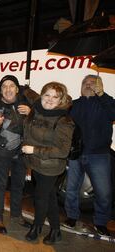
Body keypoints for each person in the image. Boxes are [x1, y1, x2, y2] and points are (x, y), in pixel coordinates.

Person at [22, 82, 74, 245]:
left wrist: (34, 150)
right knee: (49, 197)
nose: (50, 100)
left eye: (55, 97)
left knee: (40, 198)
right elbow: (30, 94)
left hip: (50, 166)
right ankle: (56, 230)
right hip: (36, 164)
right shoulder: (37, 109)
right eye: (47, 95)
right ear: (41, 95)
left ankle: (36, 228)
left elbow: (62, 151)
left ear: (61, 100)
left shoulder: (63, 120)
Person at [63, 75, 115, 236]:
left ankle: (100, 222)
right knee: (71, 189)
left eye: (92, 83)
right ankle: (71, 217)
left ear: (99, 86)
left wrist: (102, 95)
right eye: (85, 83)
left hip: (99, 154)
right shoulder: (74, 105)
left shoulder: (106, 103)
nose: (88, 85)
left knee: (103, 192)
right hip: (76, 154)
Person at [0, 75, 37, 234]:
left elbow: (37, 128)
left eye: (11, 86)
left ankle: (16, 215)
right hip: (2, 151)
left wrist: (31, 113)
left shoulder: (26, 105)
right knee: (0, 185)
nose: (8, 89)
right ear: (1, 90)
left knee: (18, 185)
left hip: (21, 152)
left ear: (17, 88)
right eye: (4, 86)